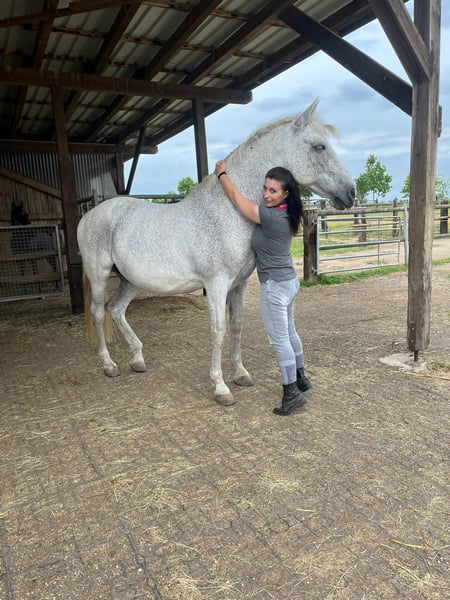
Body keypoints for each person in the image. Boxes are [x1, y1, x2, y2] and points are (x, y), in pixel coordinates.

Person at [214, 159, 312, 415]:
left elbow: (235, 198)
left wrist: (222, 174)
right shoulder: (287, 212)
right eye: (265, 188)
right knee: (290, 332)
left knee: (279, 340)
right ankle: (301, 378)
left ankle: (291, 393)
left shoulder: (271, 216)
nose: (266, 195)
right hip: (288, 282)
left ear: (285, 194)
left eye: (273, 191)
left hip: (275, 287)